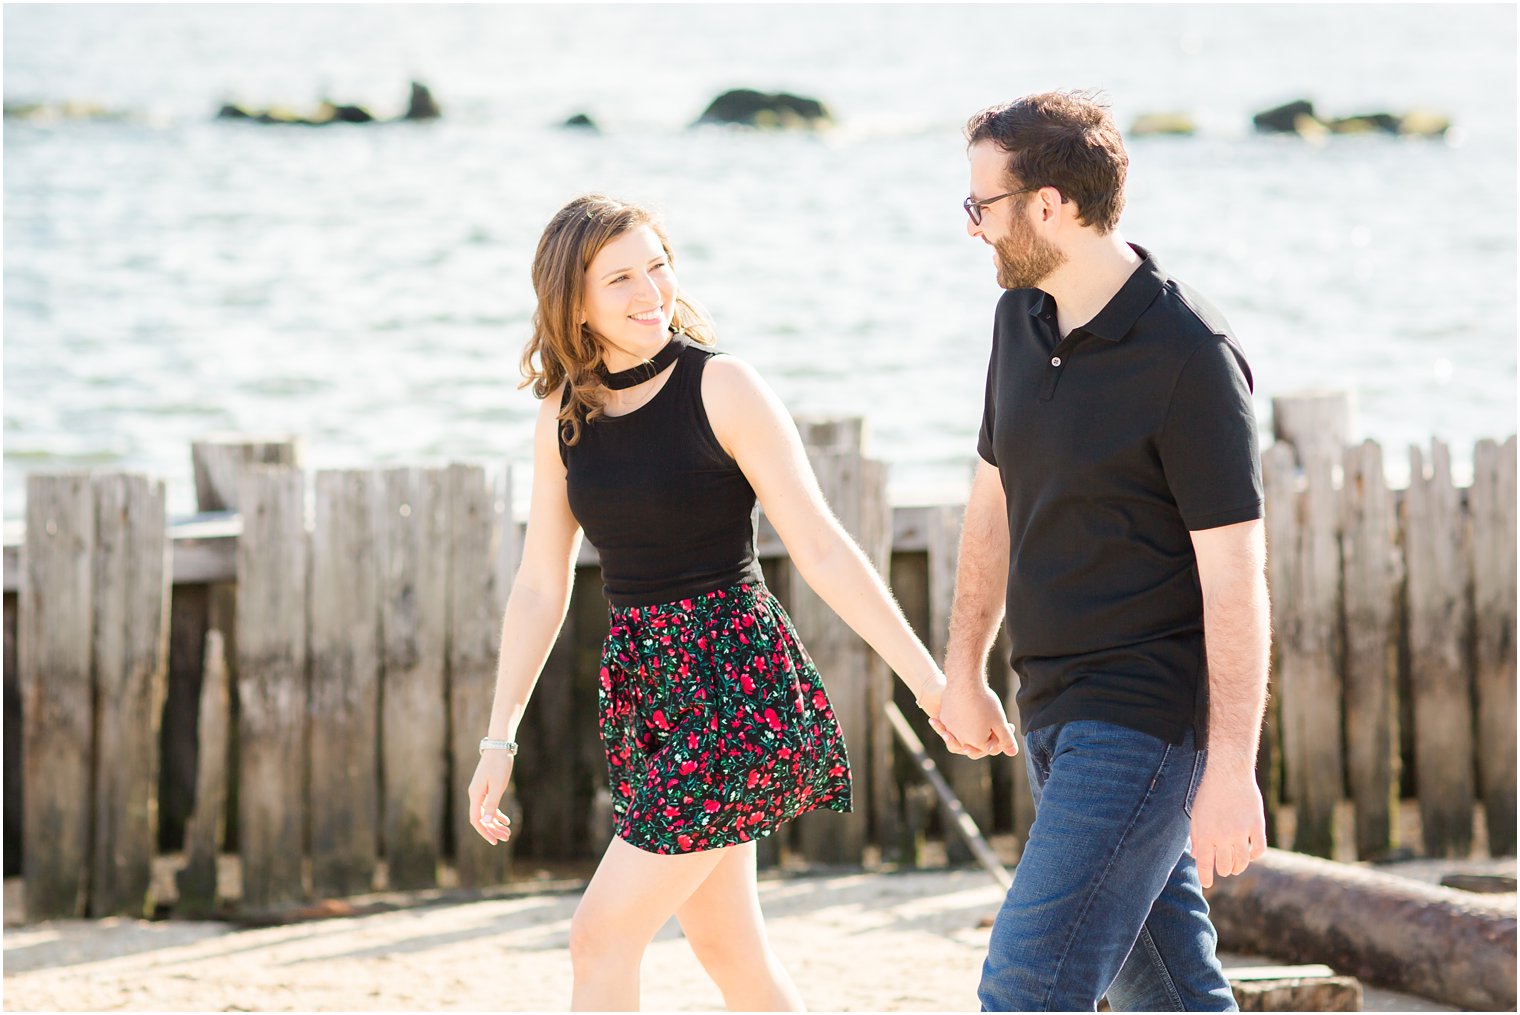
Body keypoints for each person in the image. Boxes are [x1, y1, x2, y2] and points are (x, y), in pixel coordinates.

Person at [466, 194, 968, 1011]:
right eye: (620, 277)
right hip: (647, 693)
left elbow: (822, 545)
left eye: (658, 265)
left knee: (600, 934)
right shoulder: (565, 412)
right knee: (730, 951)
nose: (650, 291)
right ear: (574, 302)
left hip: (738, 688)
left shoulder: (723, 385)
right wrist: (500, 736)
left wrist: (928, 681)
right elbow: (539, 582)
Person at [932, 91, 1271, 1012]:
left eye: (982, 206)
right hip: (1050, 707)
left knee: (1028, 981)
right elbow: (993, 502)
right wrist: (962, 668)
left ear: (1049, 206)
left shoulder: (1189, 354)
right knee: (1169, 988)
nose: (972, 229)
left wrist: (1232, 766)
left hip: (1144, 722)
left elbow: (1236, 580)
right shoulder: (1019, 320)